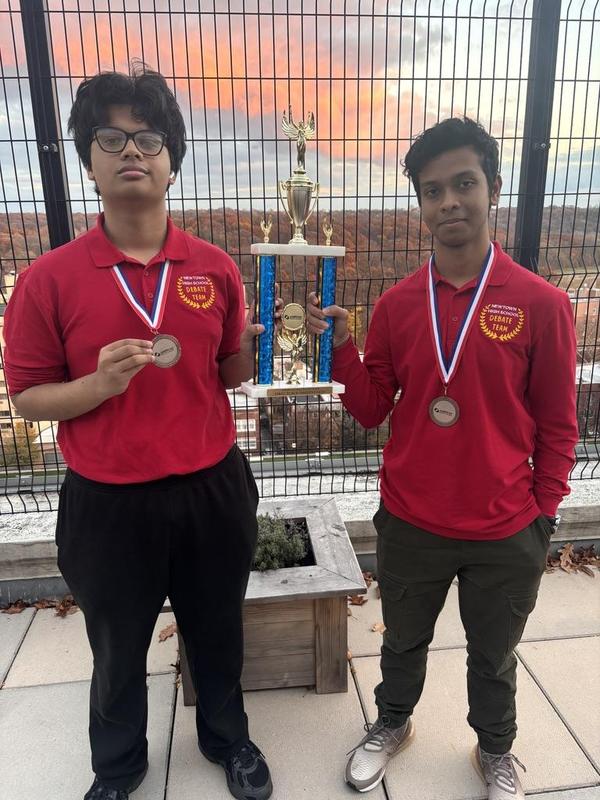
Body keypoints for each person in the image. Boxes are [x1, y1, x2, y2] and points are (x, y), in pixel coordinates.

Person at [3, 64, 274, 800]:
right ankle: (118, 768)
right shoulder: (48, 281)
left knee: (217, 629)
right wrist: (97, 386)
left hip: (210, 488)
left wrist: (252, 347)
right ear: (88, 161)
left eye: (150, 138)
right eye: (110, 138)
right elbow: (26, 397)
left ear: (173, 160)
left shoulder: (214, 268)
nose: (132, 151)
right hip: (108, 501)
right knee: (116, 646)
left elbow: (224, 375)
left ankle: (229, 740)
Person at [307, 117, 578, 800]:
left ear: (492, 187)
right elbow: (371, 408)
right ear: (421, 205)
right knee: (402, 641)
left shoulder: (542, 305)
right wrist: (341, 346)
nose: (449, 202)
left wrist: (540, 516)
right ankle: (391, 724)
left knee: (494, 657)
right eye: (433, 191)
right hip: (412, 519)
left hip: (506, 527)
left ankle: (496, 751)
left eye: (464, 184)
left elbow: (557, 424)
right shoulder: (400, 306)